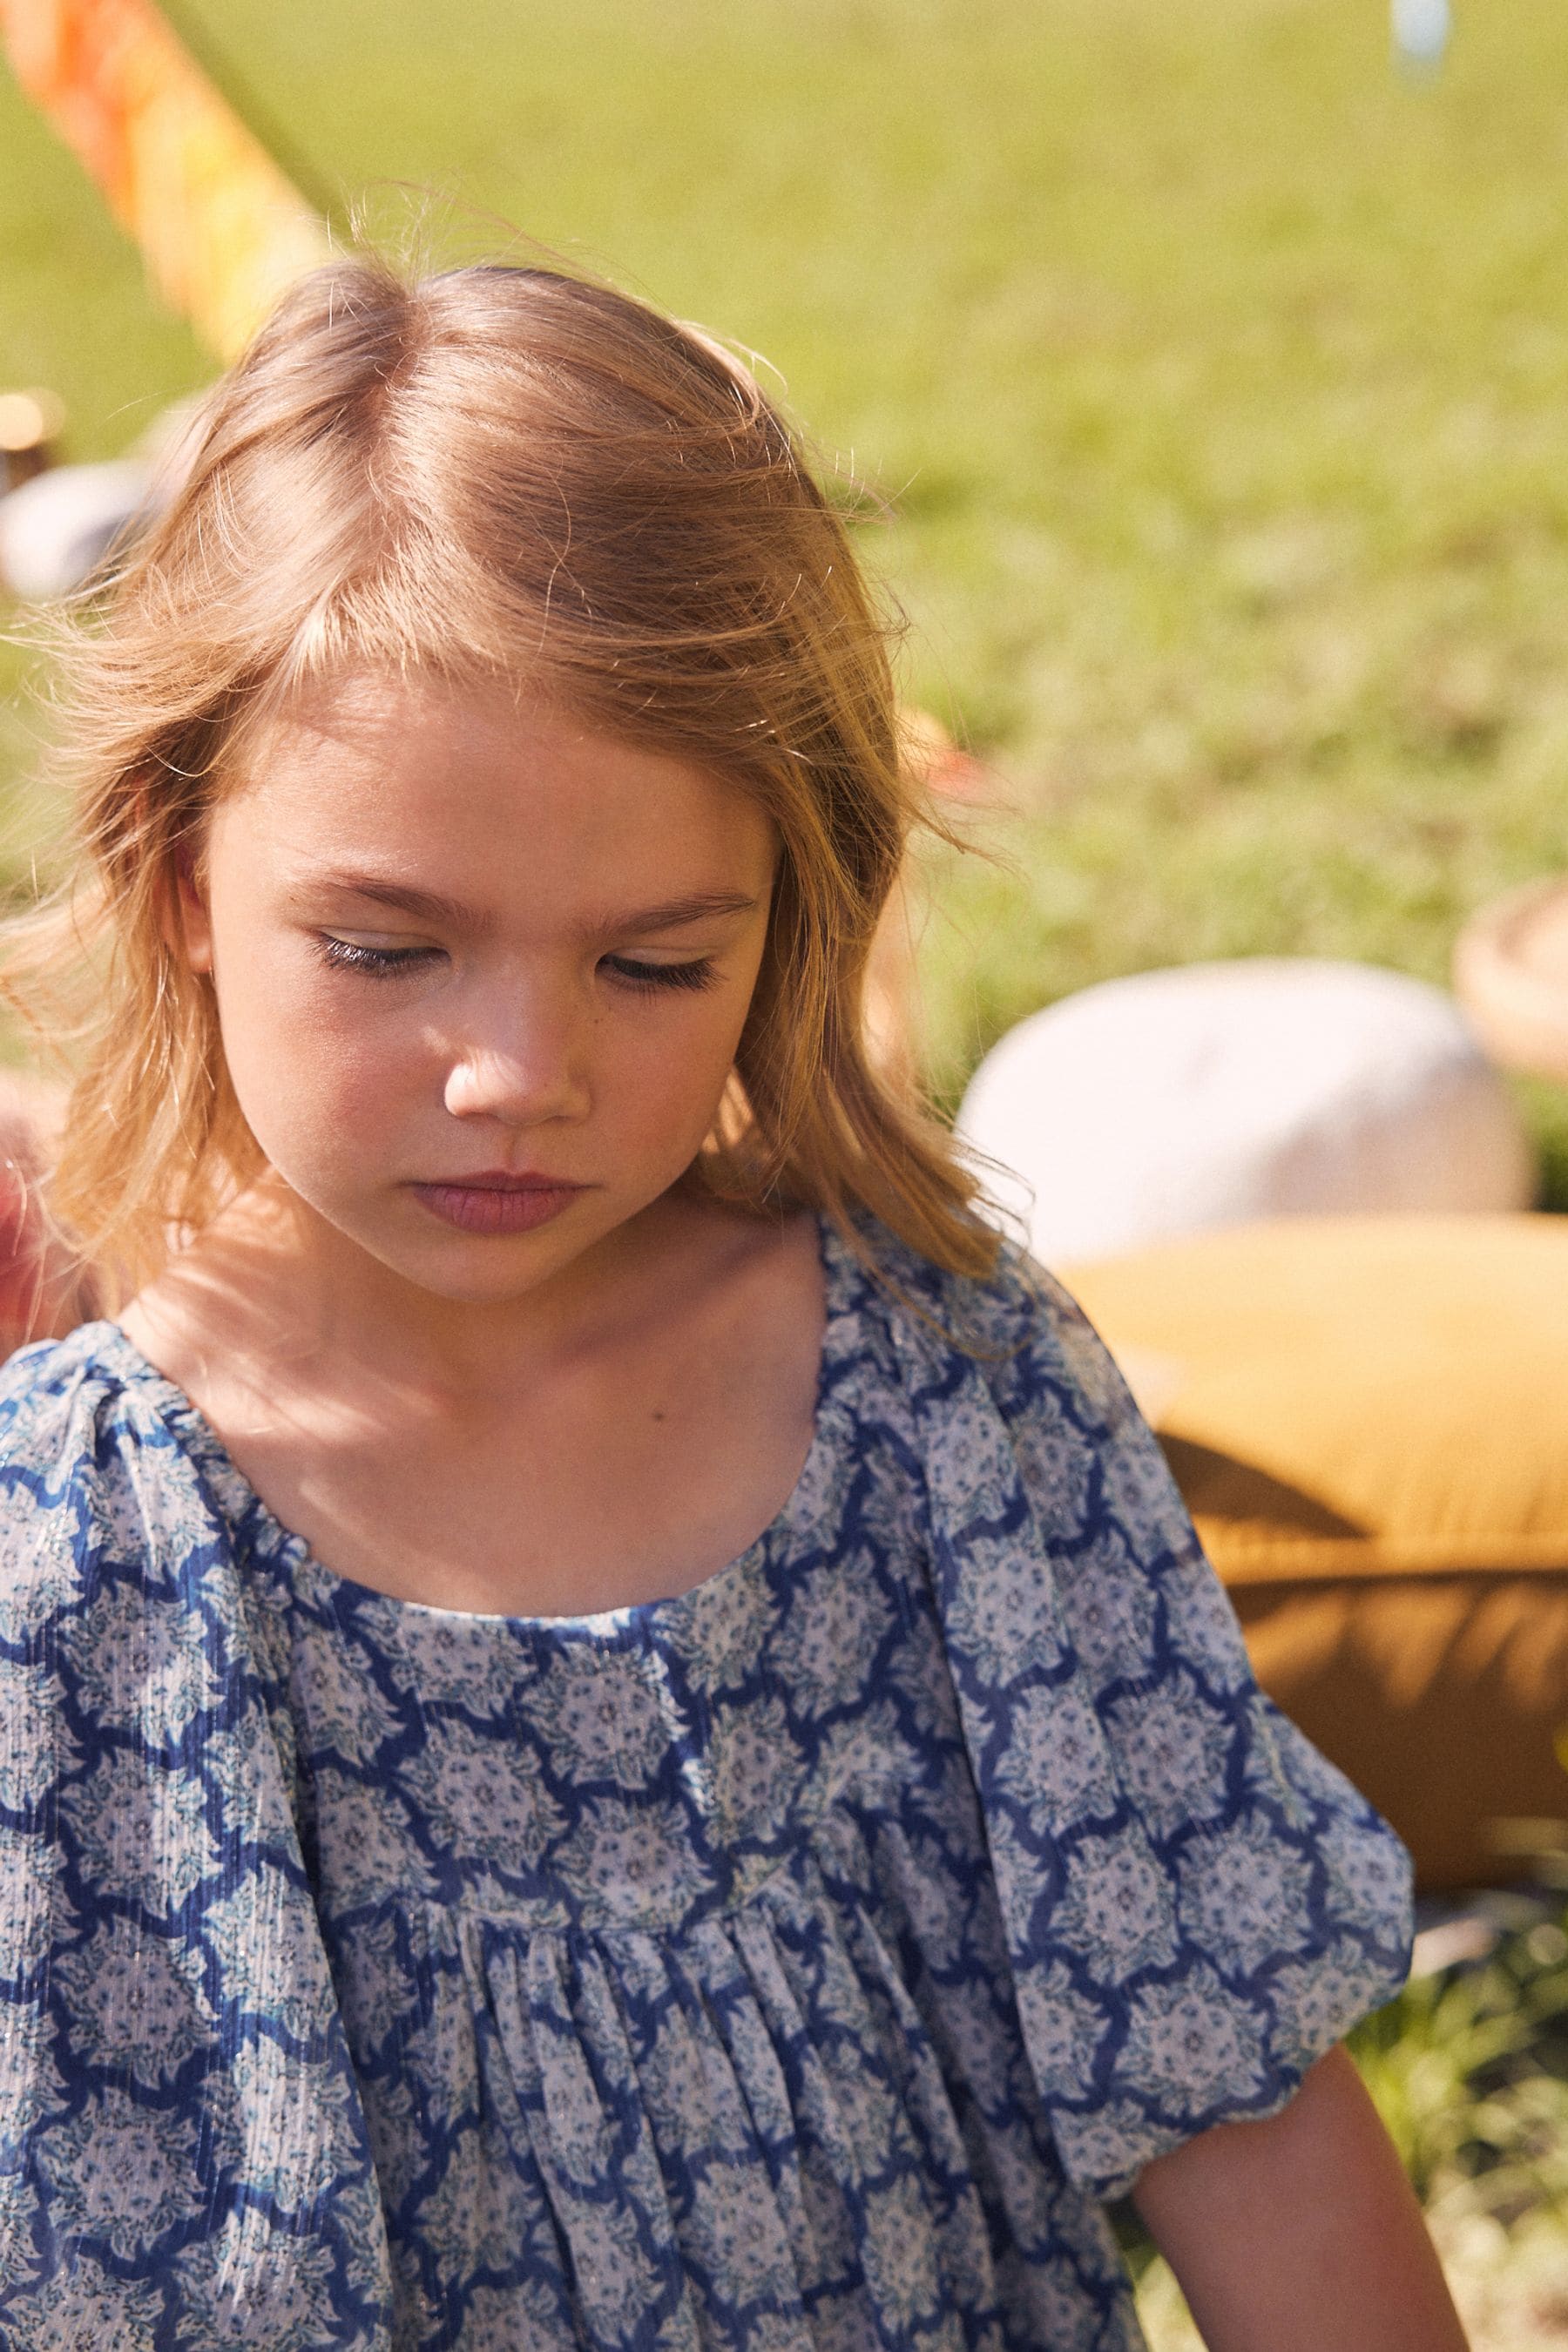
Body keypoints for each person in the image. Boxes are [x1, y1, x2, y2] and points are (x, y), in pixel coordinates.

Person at [0, 255, 1467, 2352]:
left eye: (656, 961)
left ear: (793, 914)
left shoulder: (951, 1397)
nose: (522, 1070)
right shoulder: (77, 1563)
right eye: (390, 951)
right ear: (174, 883)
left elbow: (1239, 2094)